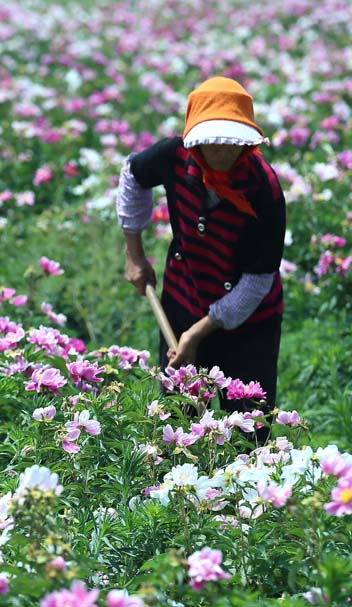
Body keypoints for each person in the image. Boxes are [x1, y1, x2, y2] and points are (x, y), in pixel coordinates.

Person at [116, 76, 286, 437]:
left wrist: (197, 333)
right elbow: (133, 174)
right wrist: (135, 255)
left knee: (248, 428)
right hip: (184, 297)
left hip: (250, 322)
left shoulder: (264, 188)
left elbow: (258, 280)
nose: (222, 152)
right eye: (211, 142)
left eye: (231, 143)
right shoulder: (173, 157)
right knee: (177, 422)